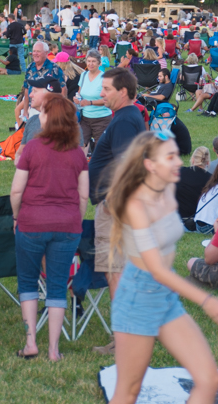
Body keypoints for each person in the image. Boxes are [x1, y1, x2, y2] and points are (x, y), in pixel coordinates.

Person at [104, 131, 218, 404]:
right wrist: (207, 300)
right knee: (128, 392)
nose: (178, 162)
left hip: (165, 299)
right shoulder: (136, 205)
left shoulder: (167, 189)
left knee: (209, 380)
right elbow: (156, 269)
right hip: (137, 300)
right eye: (169, 157)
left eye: (176, 155)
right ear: (150, 165)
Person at [10, 94, 88, 361]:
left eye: (41, 112)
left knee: (28, 282)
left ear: (48, 118)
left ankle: (31, 342)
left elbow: (16, 190)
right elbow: (83, 196)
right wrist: (75, 220)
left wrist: (16, 217)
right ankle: (54, 350)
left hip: (32, 222)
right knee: (57, 286)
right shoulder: (78, 153)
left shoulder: (31, 148)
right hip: (67, 225)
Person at [86, 67, 146, 329]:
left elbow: (126, 164)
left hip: (115, 207)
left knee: (115, 272)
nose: (102, 93)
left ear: (123, 92)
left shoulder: (122, 121)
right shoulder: (128, 116)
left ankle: (122, 335)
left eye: (106, 89)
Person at [75, 50, 112, 149]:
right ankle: (82, 164)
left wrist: (90, 102)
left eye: (93, 61)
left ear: (99, 63)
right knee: (80, 145)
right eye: (89, 61)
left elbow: (107, 100)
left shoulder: (105, 78)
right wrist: (77, 98)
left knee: (100, 148)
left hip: (101, 118)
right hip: (85, 118)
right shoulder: (83, 75)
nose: (91, 64)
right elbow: (80, 93)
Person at [175, 146, 212, 224]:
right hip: (199, 219)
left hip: (177, 217)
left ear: (192, 159)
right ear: (208, 163)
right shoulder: (211, 179)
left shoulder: (180, 172)